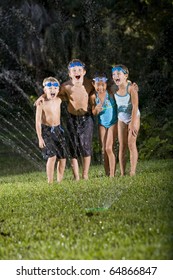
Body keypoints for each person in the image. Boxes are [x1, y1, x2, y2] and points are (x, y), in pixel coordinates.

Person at [35, 59, 95, 180]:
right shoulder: (65, 86)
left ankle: (85, 175)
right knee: (73, 147)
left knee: (85, 146)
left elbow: (102, 88)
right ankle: (75, 176)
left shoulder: (89, 84)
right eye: (74, 70)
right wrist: (41, 97)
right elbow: (51, 94)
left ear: (84, 72)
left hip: (86, 118)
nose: (76, 72)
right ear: (69, 73)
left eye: (79, 70)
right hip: (71, 119)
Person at [35, 77, 67, 183]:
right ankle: (50, 182)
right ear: (45, 90)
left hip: (58, 129)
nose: (52, 90)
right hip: (46, 131)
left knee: (62, 157)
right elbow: (38, 122)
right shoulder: (41, 103)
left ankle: (59, 181)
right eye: (50, 88)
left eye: (55, 88)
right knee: (52, 156)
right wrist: (40, 138)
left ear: (58, 90)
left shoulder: (59, 100)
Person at [112, 64, 140, 176]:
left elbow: (135, 106)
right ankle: (123, 173)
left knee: (131, 143)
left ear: (126, 76)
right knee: (122, 145)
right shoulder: (113, 89)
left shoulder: (131, 88)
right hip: (121, 119)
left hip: (133, 116)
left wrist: (133, 123)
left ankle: (132, 172)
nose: (115, 76)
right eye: (113, 74)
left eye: (118, 74)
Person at [90, 75, 118, 177]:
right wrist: (97, 109)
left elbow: (122, 87)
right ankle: (107, 173)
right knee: (103, 150)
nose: (100, 88)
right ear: (93, 85)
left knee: (109, 148)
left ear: (106, 85)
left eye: (102, 85)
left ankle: (112, 174)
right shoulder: (93, 96)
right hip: (102, 124)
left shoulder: (110, 93)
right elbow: (93, 112)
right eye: (98, 85)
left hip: (113, 123)